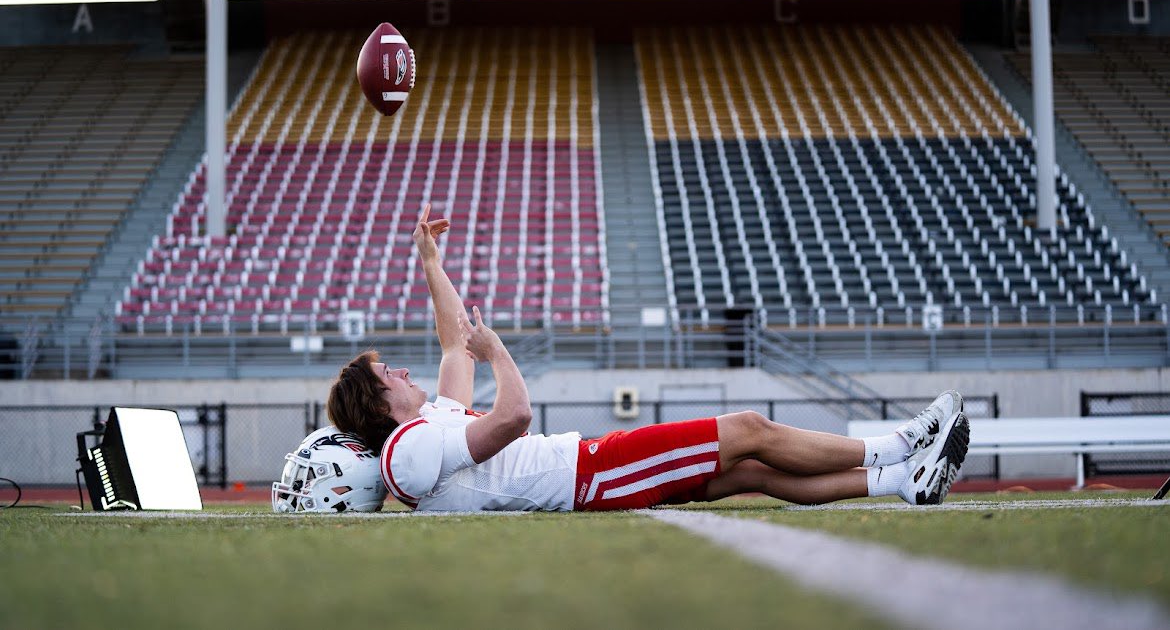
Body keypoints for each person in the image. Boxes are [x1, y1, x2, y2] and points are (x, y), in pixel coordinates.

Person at [321, 205, 970, 512]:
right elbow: (515, 416)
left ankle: (899, 483)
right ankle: (899, 444)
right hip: (589, 473)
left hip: (588, 474)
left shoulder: (424, 429)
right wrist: (501, 353)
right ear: (377, 402)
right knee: (749, 429)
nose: (399, 371)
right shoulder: (406, 449)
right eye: (386, 374)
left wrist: (430, 265)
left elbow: (451, 341)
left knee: (752, 472)